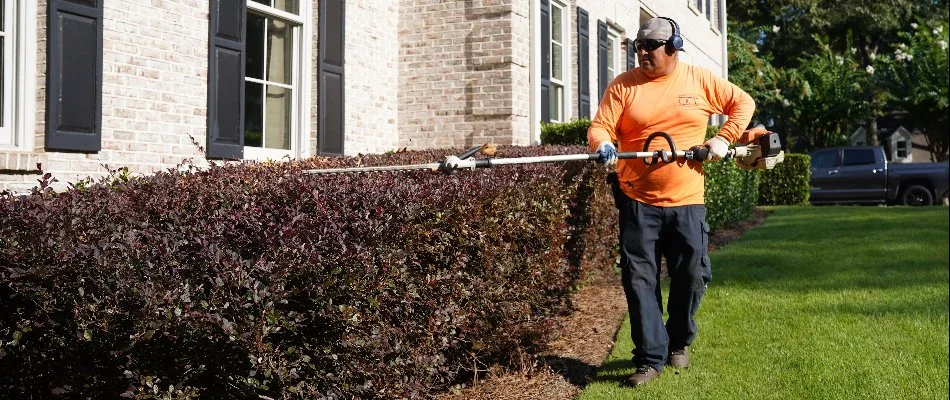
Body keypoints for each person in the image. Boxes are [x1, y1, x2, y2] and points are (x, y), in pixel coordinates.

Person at [587, 17, 755, 387]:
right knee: (639, 280)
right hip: (637, 199)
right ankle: (649, 358)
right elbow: (601, 126)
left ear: (673, 47)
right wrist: (602, 144)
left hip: (687, 200)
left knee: (691, 275)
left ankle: (678, 341)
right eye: (638, 47)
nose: (643, 53)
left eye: (651, 47)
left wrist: (723, 138)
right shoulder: (623, 86)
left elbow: (742, 102)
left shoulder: (699, 80)